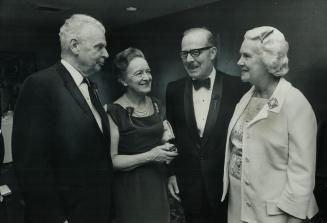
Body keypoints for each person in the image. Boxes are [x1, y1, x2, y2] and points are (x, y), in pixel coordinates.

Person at [12, 14, 113, 223]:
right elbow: (31, 166)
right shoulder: (40, 85)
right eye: (99, 47)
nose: (107, 53)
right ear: (75, 46)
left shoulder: (89, 88)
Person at [221, 26, 319, 223]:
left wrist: (294, 219)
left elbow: (301, 174)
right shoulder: (246, 97)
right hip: (238, 209)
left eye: (246, 56)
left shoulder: (295, 102)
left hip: (274, 216)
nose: (239, 62)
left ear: (269, 60)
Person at [165, 27, 246, 223]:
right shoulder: (173, 90)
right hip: (189, 187)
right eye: (184, 54)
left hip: (227, 187)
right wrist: (172, 173)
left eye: (196, 52)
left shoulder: (238, 87)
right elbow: (171, 136)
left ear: (213, 52)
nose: (189, 60)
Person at [107, 47, 178, 223]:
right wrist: (152, 155)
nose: (146, 77)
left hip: (158, 184)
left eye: (148, 71)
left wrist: (170, 169)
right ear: (123, 80)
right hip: (132, 189)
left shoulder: (156, 104)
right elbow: (113, 161)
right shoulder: (113, 112)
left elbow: (163, 139)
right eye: (139, 73)